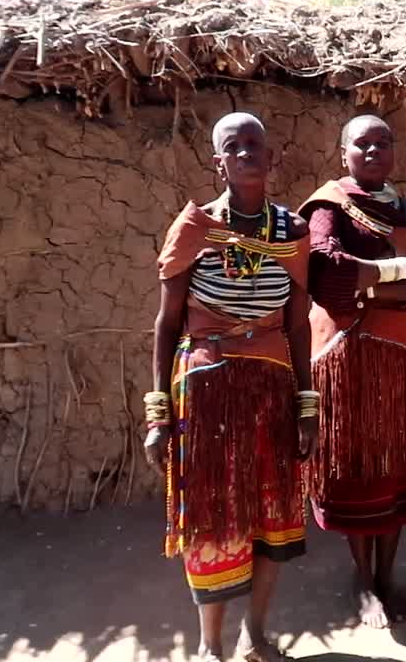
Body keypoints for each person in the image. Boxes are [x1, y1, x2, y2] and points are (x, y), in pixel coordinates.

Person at [145, 112, 317, 662]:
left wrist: (306, 407)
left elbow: (295, 325)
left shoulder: (291, 232)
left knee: (273, 515)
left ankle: (256, 637)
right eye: (233, 146)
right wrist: (157, 416)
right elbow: (167, 324)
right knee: (214, 515)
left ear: (271, 158)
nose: (245, 153)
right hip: (207, 391)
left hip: (271, 389)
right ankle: (209, 647)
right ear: (216, 161)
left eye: (254, 145)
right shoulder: (194, 227)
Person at [300, 114, 406, 628]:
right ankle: (363, 583)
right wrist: (398, 274)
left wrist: (374, 282)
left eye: (383, 142)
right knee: (355, 471)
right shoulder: (328, 207)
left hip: (400, 358)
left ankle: (387, 576)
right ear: (344, 154)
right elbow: (327, 269)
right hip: (347, 358)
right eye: (362, 143)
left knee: (396, 469)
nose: (374, 150)